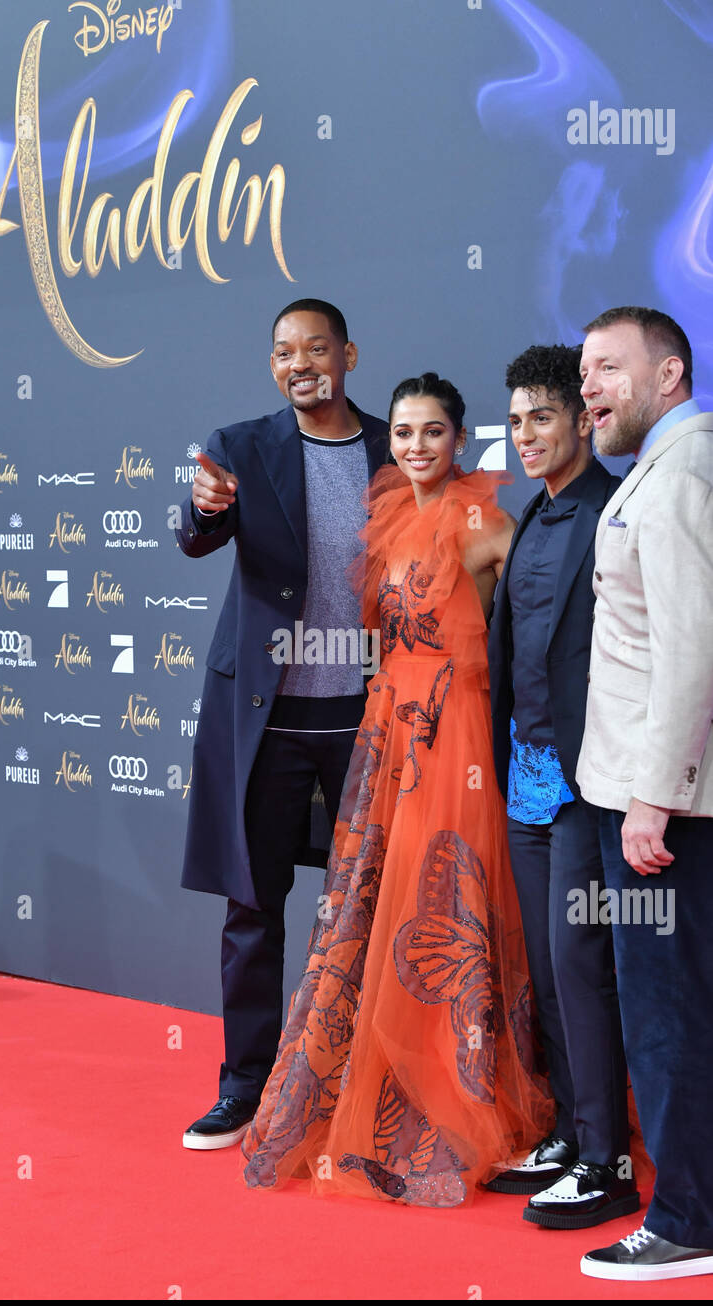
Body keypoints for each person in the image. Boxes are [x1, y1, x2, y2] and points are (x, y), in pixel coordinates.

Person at [241, 373, 554, 1205]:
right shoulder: (386, 518)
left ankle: (465, 1098)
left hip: (459, 743)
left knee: (445, 911)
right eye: (406, 433)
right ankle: (389, 1093)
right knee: (382, 909)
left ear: (459, 439)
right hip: (389, 731)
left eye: (434, 434)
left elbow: (538, 638)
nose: (416, 447)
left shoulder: (488, 523)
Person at [175, 299, 388, 1150]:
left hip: (366, 718)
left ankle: (371, 1081)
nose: (299, 362)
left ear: (348, 354)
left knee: (371, 907)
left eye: (315, 348)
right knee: (253, 907)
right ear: (273, 367)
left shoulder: (391, 445)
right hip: (266, 717)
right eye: (283, 352)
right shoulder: (238, 446)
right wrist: (204, 505)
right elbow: (195, 536)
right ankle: (245, 1087)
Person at [484, 345, 638, 1230]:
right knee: (546, 971)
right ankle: (575, 1136)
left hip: (590, 783)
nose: (527, 434)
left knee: (584, 969)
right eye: (516, 421)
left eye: (543, 416)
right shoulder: (528, 518)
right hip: (526, 775)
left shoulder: (614, 507)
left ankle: (610, 1159)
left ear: (583, 420)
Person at [574, 306, 713, 1280]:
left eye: (609, 369)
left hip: (666, 811)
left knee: (666, 1015)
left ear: (668, 376)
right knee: (672, 1010)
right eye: (585, 371)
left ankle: (686, 1220)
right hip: (657, 797)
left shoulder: (681, 476)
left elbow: (694, 652)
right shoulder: (662, 471)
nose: (591, 387)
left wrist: (652, 797)